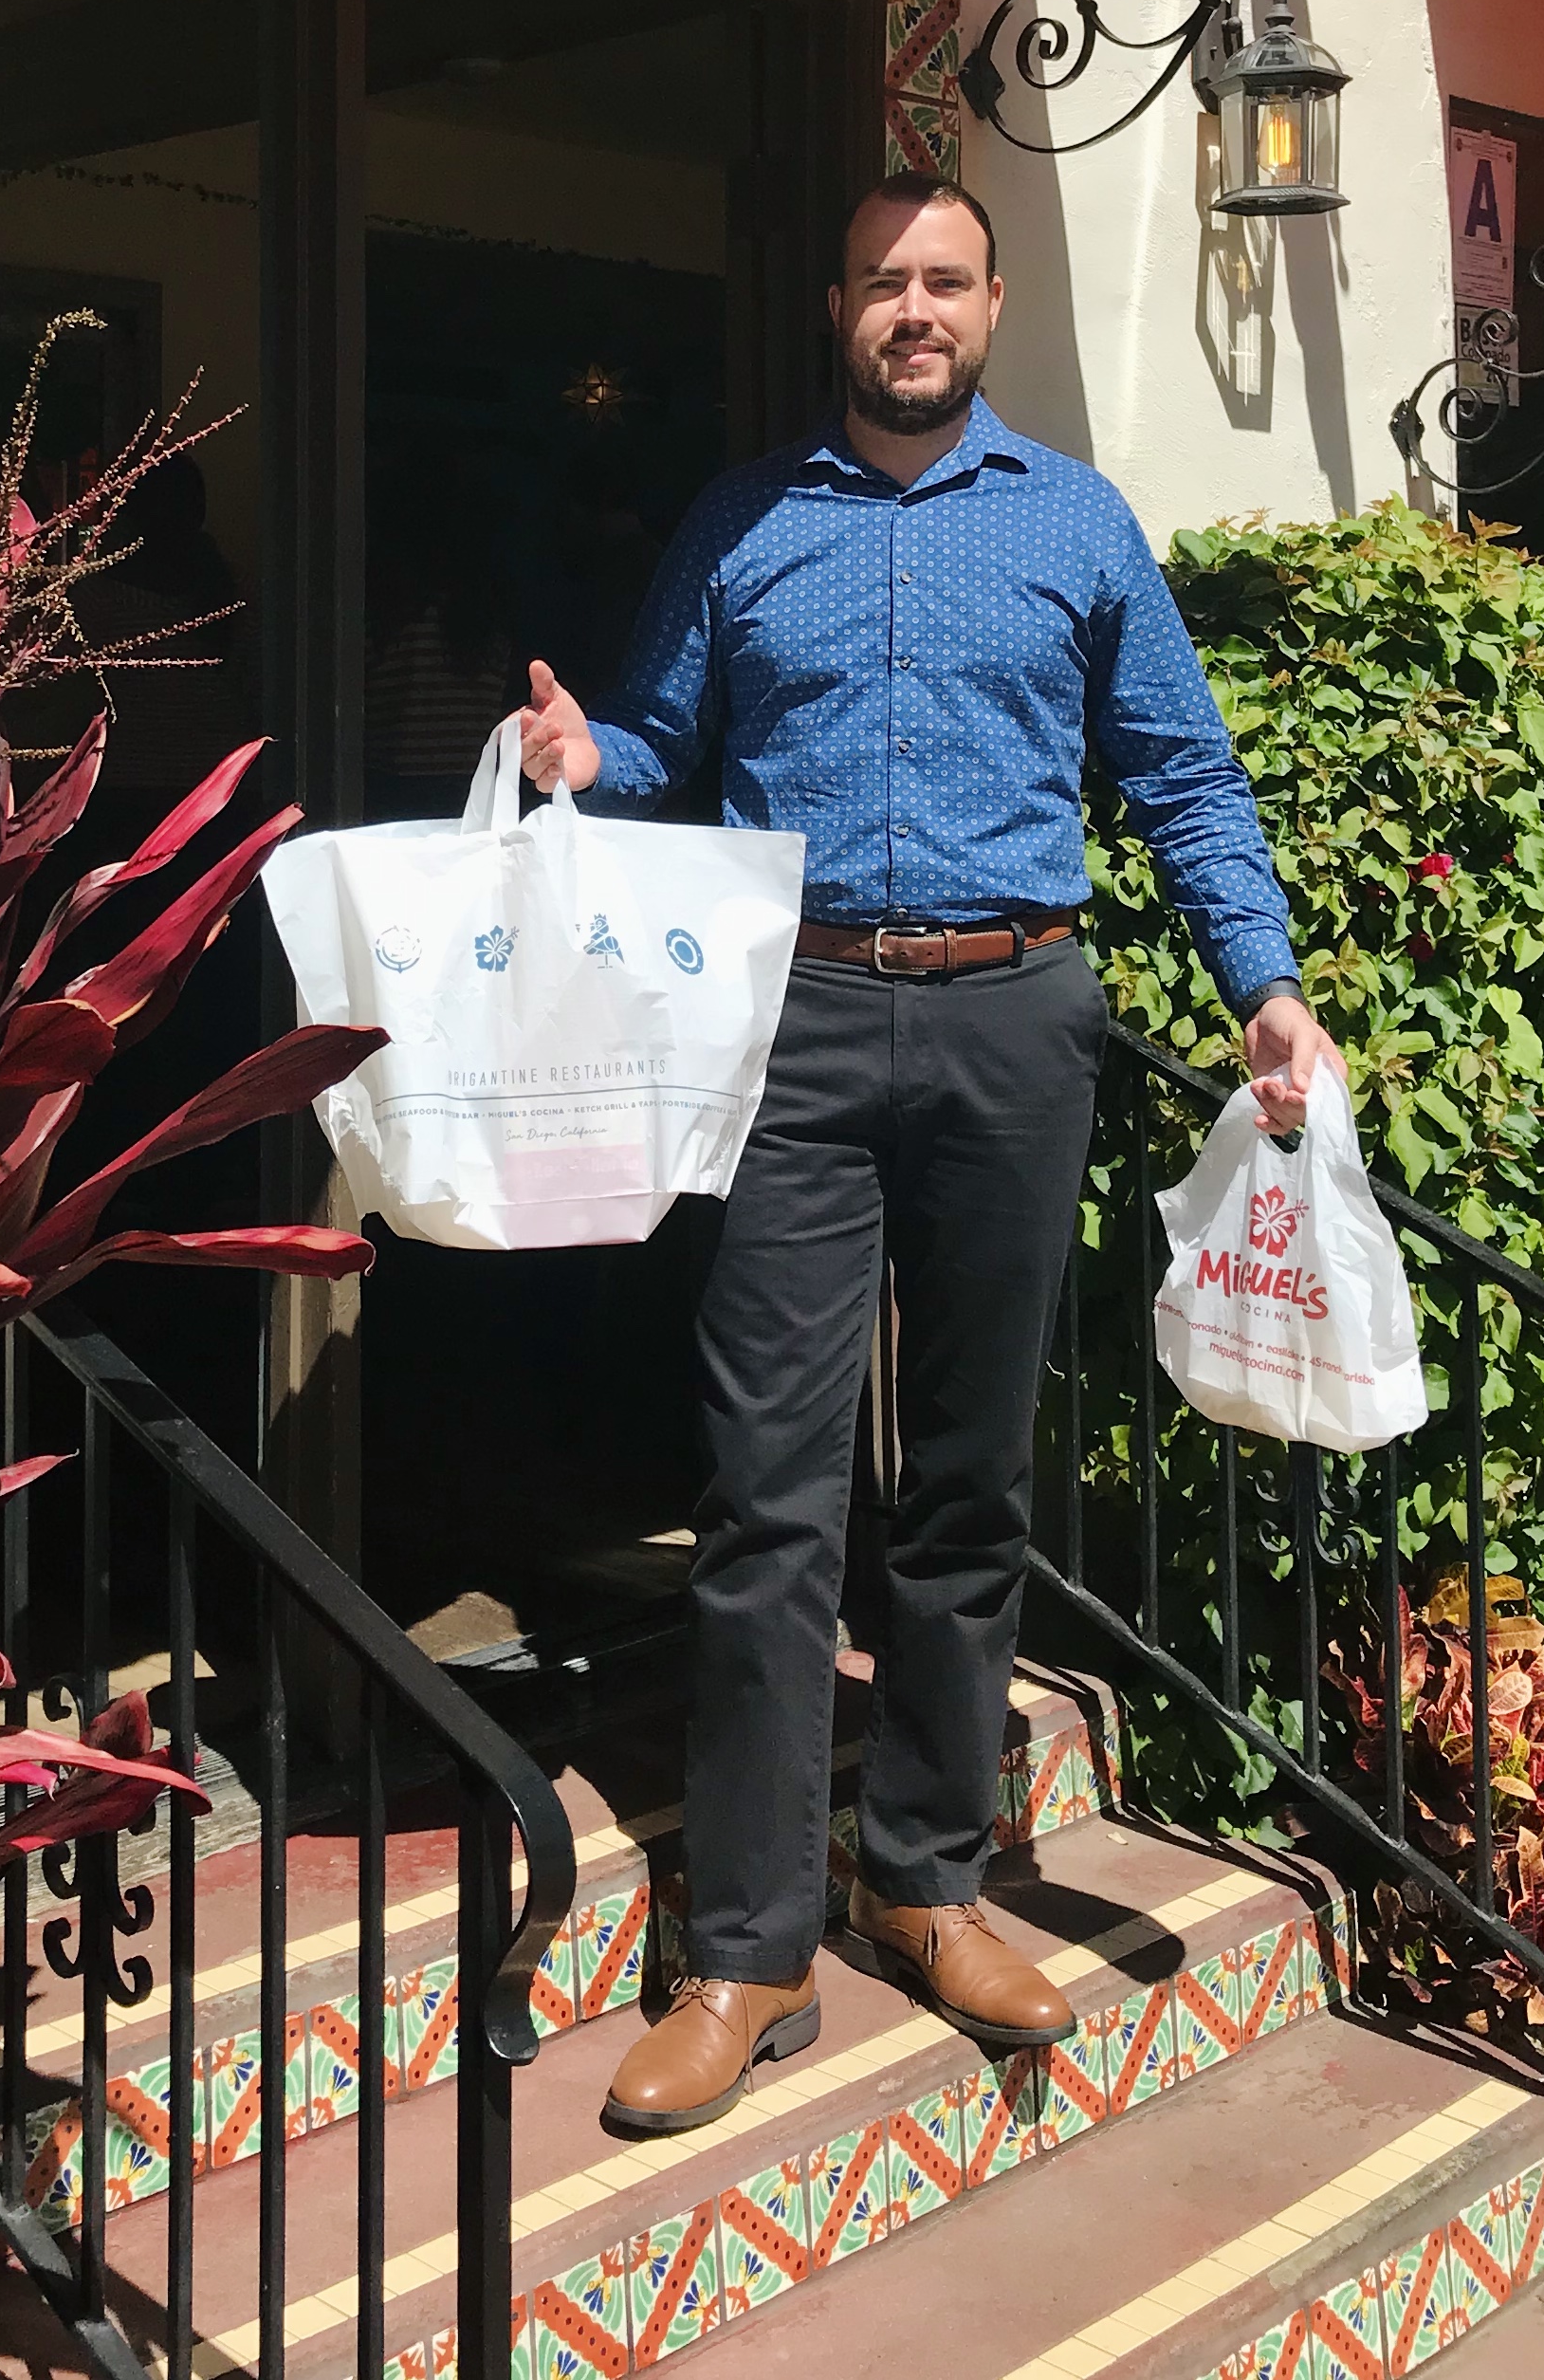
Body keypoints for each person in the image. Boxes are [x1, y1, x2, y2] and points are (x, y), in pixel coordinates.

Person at [518, 175, 1339, 2137]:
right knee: (765, 1494)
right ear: (836, 305)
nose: (912, 308)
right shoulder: (741, 521)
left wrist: (1262, 981)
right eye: (881, 279)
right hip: (791, 1020)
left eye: (943, 281)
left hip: (1013, 1015)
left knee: (966, 1482)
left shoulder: (1075, 524)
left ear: (990, 304)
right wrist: (589, 763)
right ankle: (746, 1947)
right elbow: (659, 738)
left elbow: (1180, 774)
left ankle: (927, 1879)